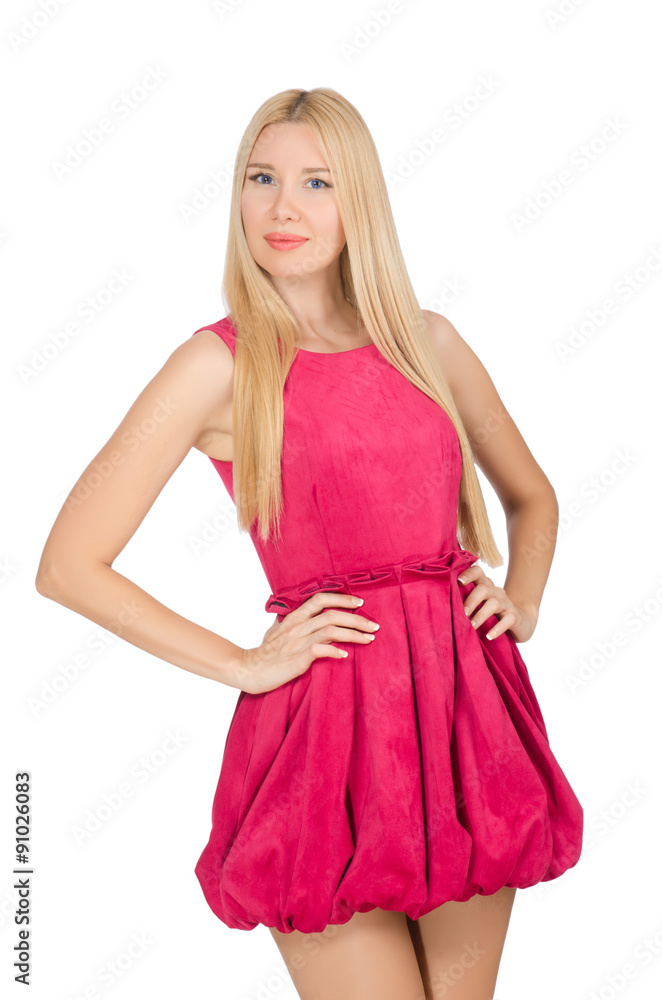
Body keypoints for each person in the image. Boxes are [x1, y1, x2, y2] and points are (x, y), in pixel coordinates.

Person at [36, 87, 583, 1000]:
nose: (282, 206)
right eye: (262, 177)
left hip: (464, 715)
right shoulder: (217, 364)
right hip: (326, 736)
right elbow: (67, 566)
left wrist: (520, 602)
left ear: (357, 199)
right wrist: (243, 664)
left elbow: (533, 498)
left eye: (316, 181)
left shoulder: (428, 343)